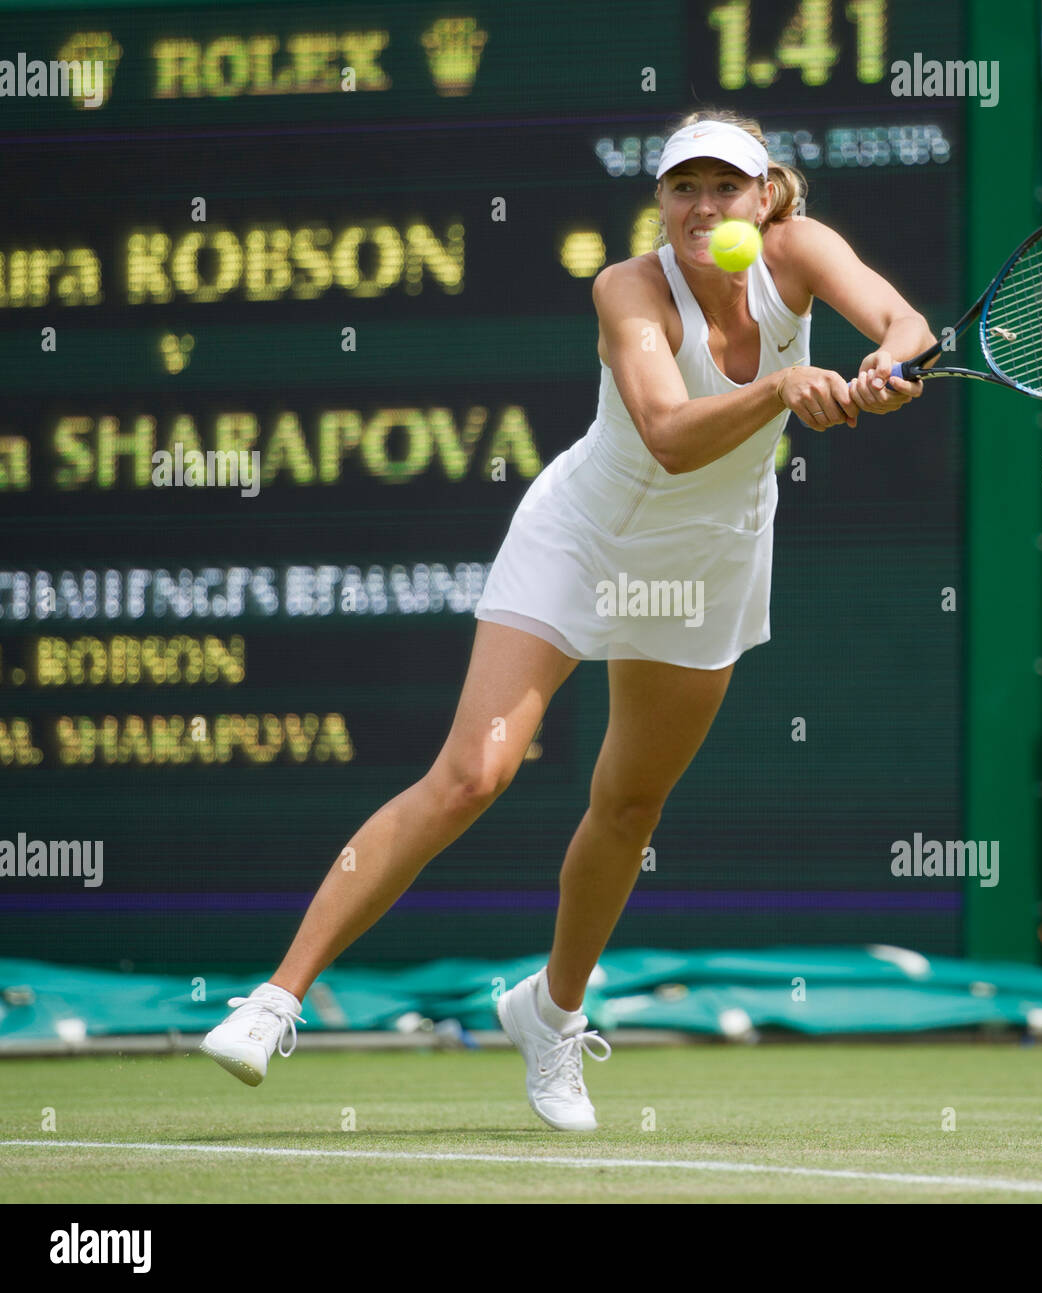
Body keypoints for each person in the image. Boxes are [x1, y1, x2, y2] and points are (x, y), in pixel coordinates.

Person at [201, 108, 935, 1131]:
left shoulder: (798, 251)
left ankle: (549, 1013)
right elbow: (672, 436)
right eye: (685, 188)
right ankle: (276, 1000)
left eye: (726, 186)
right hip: (582, 541)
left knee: (630, 808)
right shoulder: (627, 286)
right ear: (662, 203)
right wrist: (782, 386)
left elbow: (907, 326)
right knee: (473, 774)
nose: (704, 205)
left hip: (708, 564)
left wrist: (881, 371)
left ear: (765, 197)